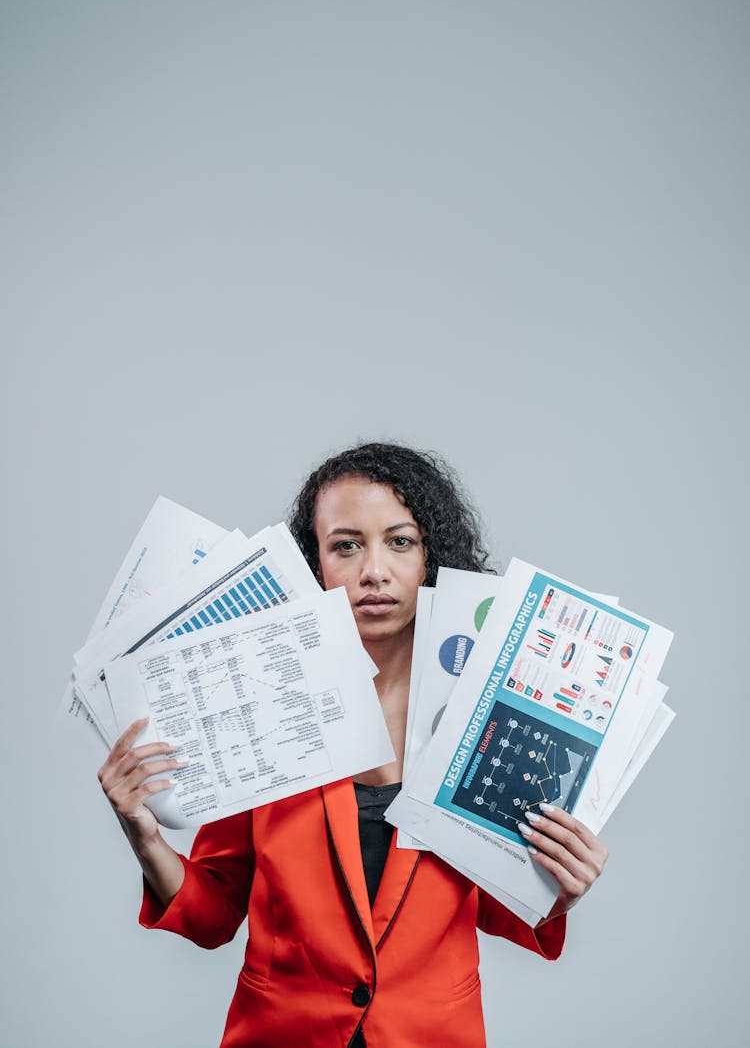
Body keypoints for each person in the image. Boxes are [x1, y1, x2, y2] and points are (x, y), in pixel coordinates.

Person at [98, 442, 608, 1048]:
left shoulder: (482, 711)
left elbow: (501, 906)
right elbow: (214, 914)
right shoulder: (261, 708)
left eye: (400, 541)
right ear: (313, 566)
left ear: (431, 558)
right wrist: (145, 837)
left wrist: (561, 885)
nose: (374, 571)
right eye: (346, 545)